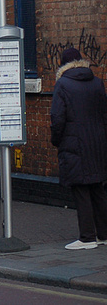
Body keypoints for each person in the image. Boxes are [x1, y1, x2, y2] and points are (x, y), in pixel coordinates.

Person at [50, 47, 107, 250]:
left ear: (63, 65)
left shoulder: (63, 84)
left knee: (81, 189)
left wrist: (56, 140)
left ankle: (87, 238)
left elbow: (58, 118)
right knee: (97, 188)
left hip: (74, 143)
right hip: (98, 143)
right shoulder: (97, 82)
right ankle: (103, 234)